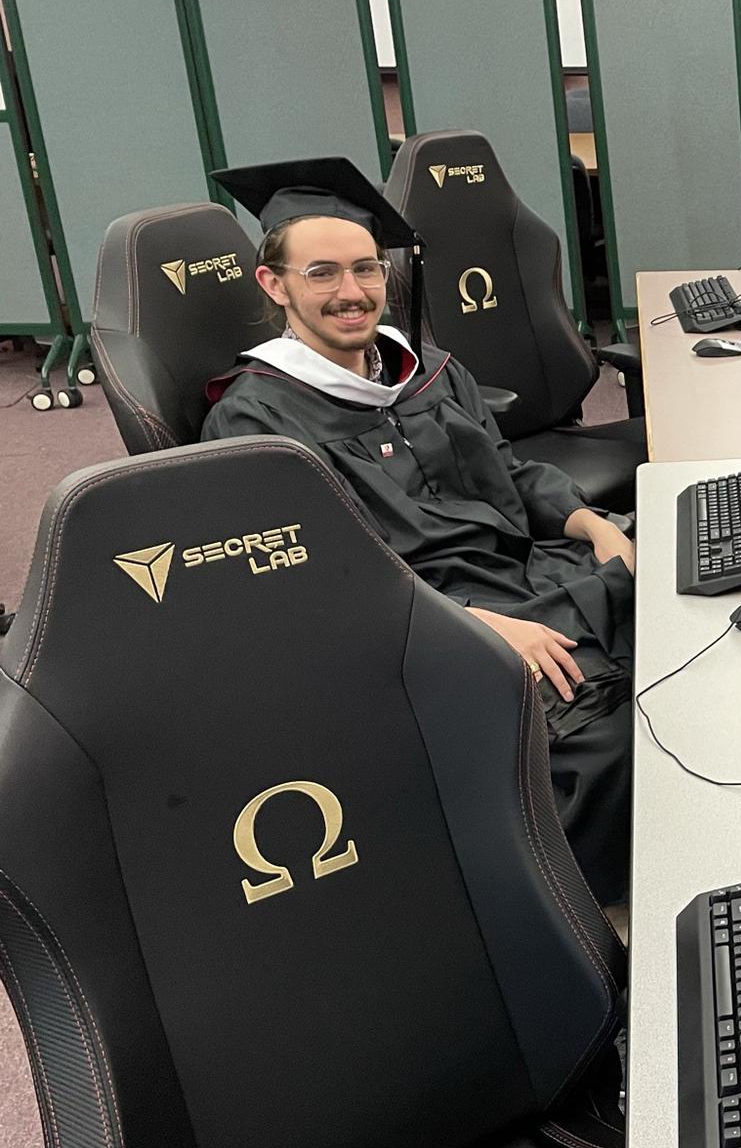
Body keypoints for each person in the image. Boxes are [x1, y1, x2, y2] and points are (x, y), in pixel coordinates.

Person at [199, 156, 635, 906]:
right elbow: (318, 588)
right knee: (617, 737)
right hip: (427, 623)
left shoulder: (427, 368)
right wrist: (478, 627)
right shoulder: (253, 421)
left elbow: (514, 471)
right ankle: (587, 915)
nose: (352, 292)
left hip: (533, 573)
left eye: (366, 269)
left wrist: (594, 524)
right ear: (275, 285)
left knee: (695, 603)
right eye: (322, 274)